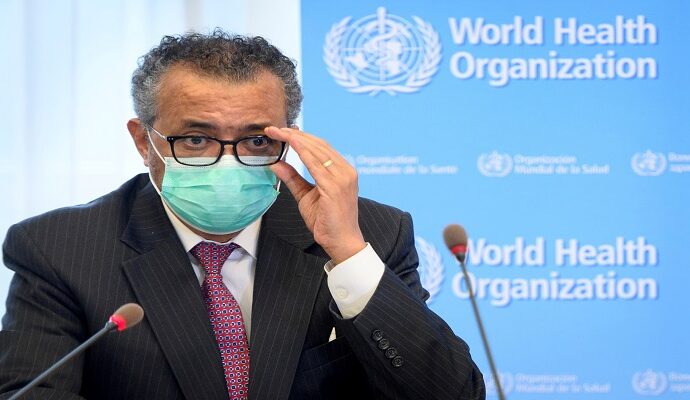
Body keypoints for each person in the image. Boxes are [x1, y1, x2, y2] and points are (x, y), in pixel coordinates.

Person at [0, 30, 485, 399]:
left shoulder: (372, 233)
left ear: (289, 137)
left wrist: (348, 255)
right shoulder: (59, 249)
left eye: (256, 140)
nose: (228, 163)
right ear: (143, 141)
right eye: (196, 139)